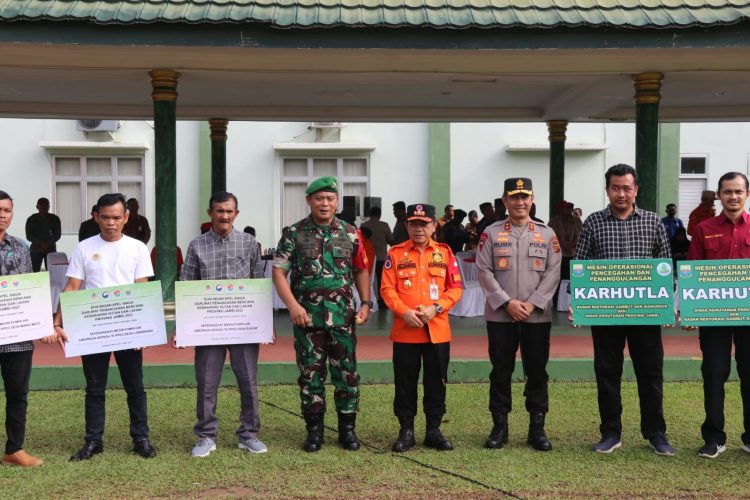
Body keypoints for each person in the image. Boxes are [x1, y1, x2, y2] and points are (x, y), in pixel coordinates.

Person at [42, 193, 157, 461]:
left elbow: (141, 287)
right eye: (105, 217)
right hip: (92, 328)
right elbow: (72, 287)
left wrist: (144, 328)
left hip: (128, 325)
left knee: (135, 386)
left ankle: (141, 437)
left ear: (126, 218)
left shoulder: (137, 248)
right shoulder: (84, 247)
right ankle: (93, 441)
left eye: (116, 217)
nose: (110, 223)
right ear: (96, 217)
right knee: (94, 387)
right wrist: (57, 322)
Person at [573, 164, 674, 456]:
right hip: (606, 313)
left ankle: (656, 433)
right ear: (607, 190)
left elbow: (665, 268)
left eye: (626, 188)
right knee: (607, 372)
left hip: (645, 313)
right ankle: (610, 433)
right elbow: (580, 266)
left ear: (636, 190)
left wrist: (666, 306)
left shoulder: (653, 223)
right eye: (615, 187)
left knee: (651, 373)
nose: (621, 193)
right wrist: (578, 304)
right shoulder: (592, 222)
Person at [272, 176, 372, 452]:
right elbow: (279, 272)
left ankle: (347, 431)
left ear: (336, 201)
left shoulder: (351, 232)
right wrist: (292, 306)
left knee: (347, 374)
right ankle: (314, 431)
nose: (324, 203)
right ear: (308, 201)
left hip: (343, 318)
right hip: (307, 320)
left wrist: (366, 303)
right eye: (319, 198)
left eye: (329, 198)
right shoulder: (294, 233)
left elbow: (361, 269)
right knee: (310, 376)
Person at [178, 191, 267, 458]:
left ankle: (249, 434)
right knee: (206, 381)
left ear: (236, 214)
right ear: (210, 213)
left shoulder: (249, 243)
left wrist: (264, 323)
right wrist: (183, 328)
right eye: (219, 211)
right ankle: (206, 436)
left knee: (248, 380)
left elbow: (258, 284)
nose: (224, 216)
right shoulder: (196, 245)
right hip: (209, 326)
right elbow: (187, 286)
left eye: (229, 211)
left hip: (243, 324)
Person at [476, 178, 562, 452]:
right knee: (500, 371)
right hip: (501, 317)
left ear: (532, 198)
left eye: (525, 196)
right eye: (514, 197)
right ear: (505, 200)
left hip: (536, 317)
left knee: (537, 372)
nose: (520, 202)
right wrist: (506, 303)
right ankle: (499, 426)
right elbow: (483, 270)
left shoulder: (547, 234)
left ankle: (537, 427)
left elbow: (553, 271)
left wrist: (533, 303)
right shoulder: (490, 233)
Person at [380, 204, 463, 452]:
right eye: (414, 224)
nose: (419, 229)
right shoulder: (395, 254)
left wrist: (436, 308)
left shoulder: (445, 253)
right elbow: (386, 289)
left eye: (424, 224)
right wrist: (403, 312)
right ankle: (406, 430)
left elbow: (456, 288)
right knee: (405, 383)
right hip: (406, 330)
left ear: (433, 226)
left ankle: (433, 430)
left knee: (436, 381)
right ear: (407, 226)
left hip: (437, 330)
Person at [686, 172, 750, 459]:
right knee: (713, 374)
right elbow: (692, 271)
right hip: (713, 316)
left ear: (746, 194)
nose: (733, 197)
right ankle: (714, 437)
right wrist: (689, 309)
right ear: (719, 195)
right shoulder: (704, 229)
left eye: (738, 191)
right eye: (727, 192)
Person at [0, 190, 43, 467]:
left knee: (18, 393)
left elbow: (30, 288)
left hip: (16, 335)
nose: (2, 215)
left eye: (6, 210)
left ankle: (14, 450)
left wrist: (39, 323)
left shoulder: (20, 247)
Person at [360, 206, 393, 303]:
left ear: (370, 214)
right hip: (382, 257)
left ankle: (368, 299)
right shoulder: (384, 225)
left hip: (367, 258)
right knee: (381, 280)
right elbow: (391, 241)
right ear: (380, 214)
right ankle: (382, 300)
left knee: (368, 280)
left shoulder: (364, 225)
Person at [547, 200, 582, 281]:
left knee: (575, 279)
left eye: (570, 208)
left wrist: (572, 245)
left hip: (574, 256)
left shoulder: (576, 220)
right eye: (566, 208)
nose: (569, 210)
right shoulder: (553, 222)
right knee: (559, 280)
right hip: (559, 256)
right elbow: (552, 238)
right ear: (560, 210)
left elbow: (581, 235)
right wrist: (564, 246)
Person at [25, 197, 61, 272]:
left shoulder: (54, 218)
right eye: (42, 205)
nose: (44, 207)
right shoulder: (31, 219)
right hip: (36, 249)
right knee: (33, 271)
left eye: (46, 205)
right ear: (37, 207)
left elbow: (57, 234)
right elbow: (29, 235)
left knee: (52, 272)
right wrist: (41, 243)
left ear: (49, 206)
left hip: (50, 249)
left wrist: (48, 244)